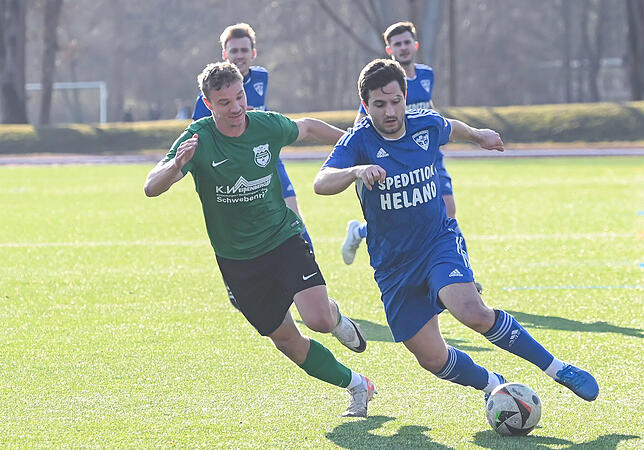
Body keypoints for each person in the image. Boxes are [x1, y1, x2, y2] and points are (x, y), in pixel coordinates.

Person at [314, 59, 598, 406]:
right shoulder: (358, 141)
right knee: (432, 359)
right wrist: (356, 171)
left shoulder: (425, 125)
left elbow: (452, 127)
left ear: (405, 96)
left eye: (396, 101)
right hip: (393, 267)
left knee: (472, 311)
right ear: (365, 105)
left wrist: (479, 135)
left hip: (437, 243)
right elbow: (321, 182)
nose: (390, 111)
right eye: (379, 104)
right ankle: (494, 384)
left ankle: (558, 368)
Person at [145, 61, 376, 417]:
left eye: (240, 97)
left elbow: (310, 127)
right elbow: (151, 186)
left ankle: (336, 319)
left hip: (282, 238)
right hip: (237, 260)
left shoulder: (266, 125)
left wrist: (363, 144)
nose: (236, 107)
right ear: (208, 104)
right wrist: (177, 165)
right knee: (286, 341)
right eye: (224, 103)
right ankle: (358, 385)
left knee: (317, 319)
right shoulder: (198, 138)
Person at [341, 22, 461, 272]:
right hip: (397, 157)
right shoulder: (385, 82)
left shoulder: (426, 74)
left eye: (407, 42)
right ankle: (362, 231)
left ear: (415, 45)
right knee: (400, 216)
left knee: (448, 211)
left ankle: (457, 270)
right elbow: (362, 119)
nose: (404, 48)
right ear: (389, 49)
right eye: (398, 44)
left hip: (429, 157)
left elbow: (430, 109)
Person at [191, 23, 314, 250]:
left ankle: (308, 267)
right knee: (250, 224)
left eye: (244, 50)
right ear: (224, 55)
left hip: (266, 156)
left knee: (293, 214)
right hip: (235, 166)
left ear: (253, 53)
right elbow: (198, 135)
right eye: (234, 51)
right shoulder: (207, 97)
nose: (239, 56)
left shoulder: (261, 77)